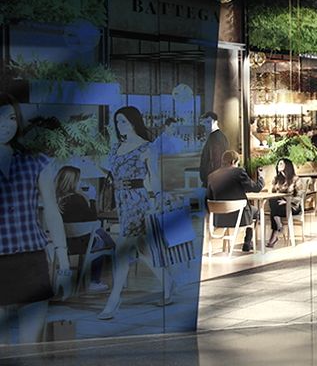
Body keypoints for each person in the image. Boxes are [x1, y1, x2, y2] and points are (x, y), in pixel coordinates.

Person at [101, 106, 191, 320]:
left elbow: (154, 177)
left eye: (123, 121)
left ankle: (114, 299)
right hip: (121, 200)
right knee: (143, 250)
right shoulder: (116, 147)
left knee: (123, 249)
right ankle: (168, 283)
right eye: (117, 122)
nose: (119, 126)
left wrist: (158, 197)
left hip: (137, 201)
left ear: (133, 122)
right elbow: (112, 172)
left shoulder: (146, 148)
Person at [0, 93, 68, 343]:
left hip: (31, 262)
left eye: (11, 118)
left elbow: (51, 208)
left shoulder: (35, 161)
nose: (6, 125)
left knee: (31, 349)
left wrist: (63, 258)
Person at [55, 165, 112, 293]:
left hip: (63, 244)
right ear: (73, 182)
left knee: (100, 234)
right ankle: (94, 281)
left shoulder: (55, 200)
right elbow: (93, 220)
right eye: (79, 179)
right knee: (100, 237)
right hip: (80, 244)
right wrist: (92, 199)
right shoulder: (77, 199)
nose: (81, 182)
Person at [206, 151, 264, 251]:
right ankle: (247, 242)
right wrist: (261, 177)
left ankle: (232, 245)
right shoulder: (238, 172)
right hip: (239, 217)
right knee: (256, 211)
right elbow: (256, 188)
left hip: (219, 219)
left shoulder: (211, 176)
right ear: (233, 161)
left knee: (250, 210)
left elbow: (209, 198)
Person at [267, 158, 304, 248]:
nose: (278, 166)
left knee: (274, 211)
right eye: (278, 164)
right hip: (278, 205)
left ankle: (276, 232)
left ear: (287, 166)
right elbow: (272, 193)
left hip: (292, 206)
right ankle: (278, 225)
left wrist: (287, 201)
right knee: (272, 200)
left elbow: (299, 196)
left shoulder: (295, 179)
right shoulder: (276, 179)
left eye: (281, 164)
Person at [198, 111, 227, 188]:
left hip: (213, 179)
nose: (206, 125)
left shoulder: (216, 138)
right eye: (205, 122)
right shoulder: (216, 136)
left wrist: (210, 179)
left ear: (215, 122)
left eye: (209, 122)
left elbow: (216, 161)